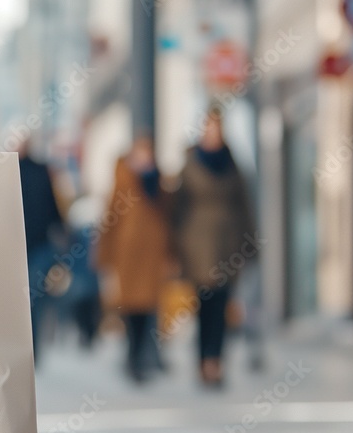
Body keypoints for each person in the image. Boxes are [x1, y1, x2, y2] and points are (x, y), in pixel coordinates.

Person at [172, 107, 256, 387]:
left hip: (227, 246)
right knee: (204, 306)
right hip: (197, 248)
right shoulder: (190, 164)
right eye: (209, 128)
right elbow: (177, 209)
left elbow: (244, 205)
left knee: (221, 307)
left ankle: (215, 363)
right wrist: (175, 250)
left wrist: (250, 243)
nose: (213, 133)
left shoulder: (232, 163)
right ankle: (202, 361)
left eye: (217, 128)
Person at [96, 136, 172, 383]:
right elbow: (110, 219)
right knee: (130, 308)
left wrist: (170, 254)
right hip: (128, 256)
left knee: (149, 307)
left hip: (152, 255)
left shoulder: (158, 182)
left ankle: (143, 356)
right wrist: (104, 255)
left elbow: (168, 218)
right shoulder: (123, 181)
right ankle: (132, 357)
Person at [18, 139, 64, 363]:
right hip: (26, 245)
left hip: (32, 245)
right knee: (28, 300)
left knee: (30, 300)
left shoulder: (35, 170)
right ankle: (28, 350)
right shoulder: (8, 171)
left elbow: (51, 203)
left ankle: (30, 350)